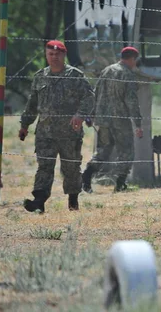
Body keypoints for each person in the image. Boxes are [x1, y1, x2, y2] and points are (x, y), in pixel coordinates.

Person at [19, 40, 95, 212]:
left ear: (64, 55)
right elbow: (32, 104)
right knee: (44, 166)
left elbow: (89, 98)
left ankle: (73, 200)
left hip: (70, 133)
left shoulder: (75, 76)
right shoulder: (40, 77)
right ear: (46, 55)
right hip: (45, 133)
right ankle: (39, 201)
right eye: (50, 54)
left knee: (71, 168)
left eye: (57, 54)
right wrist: (25, 125)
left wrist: (80, 115)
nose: (54, 57)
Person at [81, 46, 144, 193]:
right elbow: (132, 102)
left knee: (103, 151)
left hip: (103, 120)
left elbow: (95, 93)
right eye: (136, 60)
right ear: (132, 59)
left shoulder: (107, 70)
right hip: (120, 120)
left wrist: (90, 114)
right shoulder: (128, 75)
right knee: (127, 152)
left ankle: (86, 176)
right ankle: (120, 184)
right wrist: (138, 124)